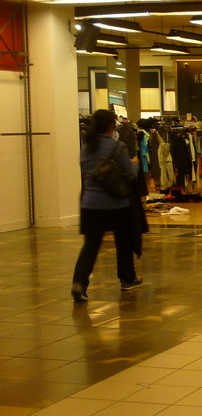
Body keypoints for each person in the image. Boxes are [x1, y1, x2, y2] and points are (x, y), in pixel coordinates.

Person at [72, 109, 142, 301]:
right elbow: (129, 173)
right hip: (116, 204)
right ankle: (127, 279)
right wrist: (134, 162)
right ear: (111, 126)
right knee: (123, 242)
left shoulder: (86, 147)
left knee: (91, 246)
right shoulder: (116, 147)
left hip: (89, 204)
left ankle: (79, 283)